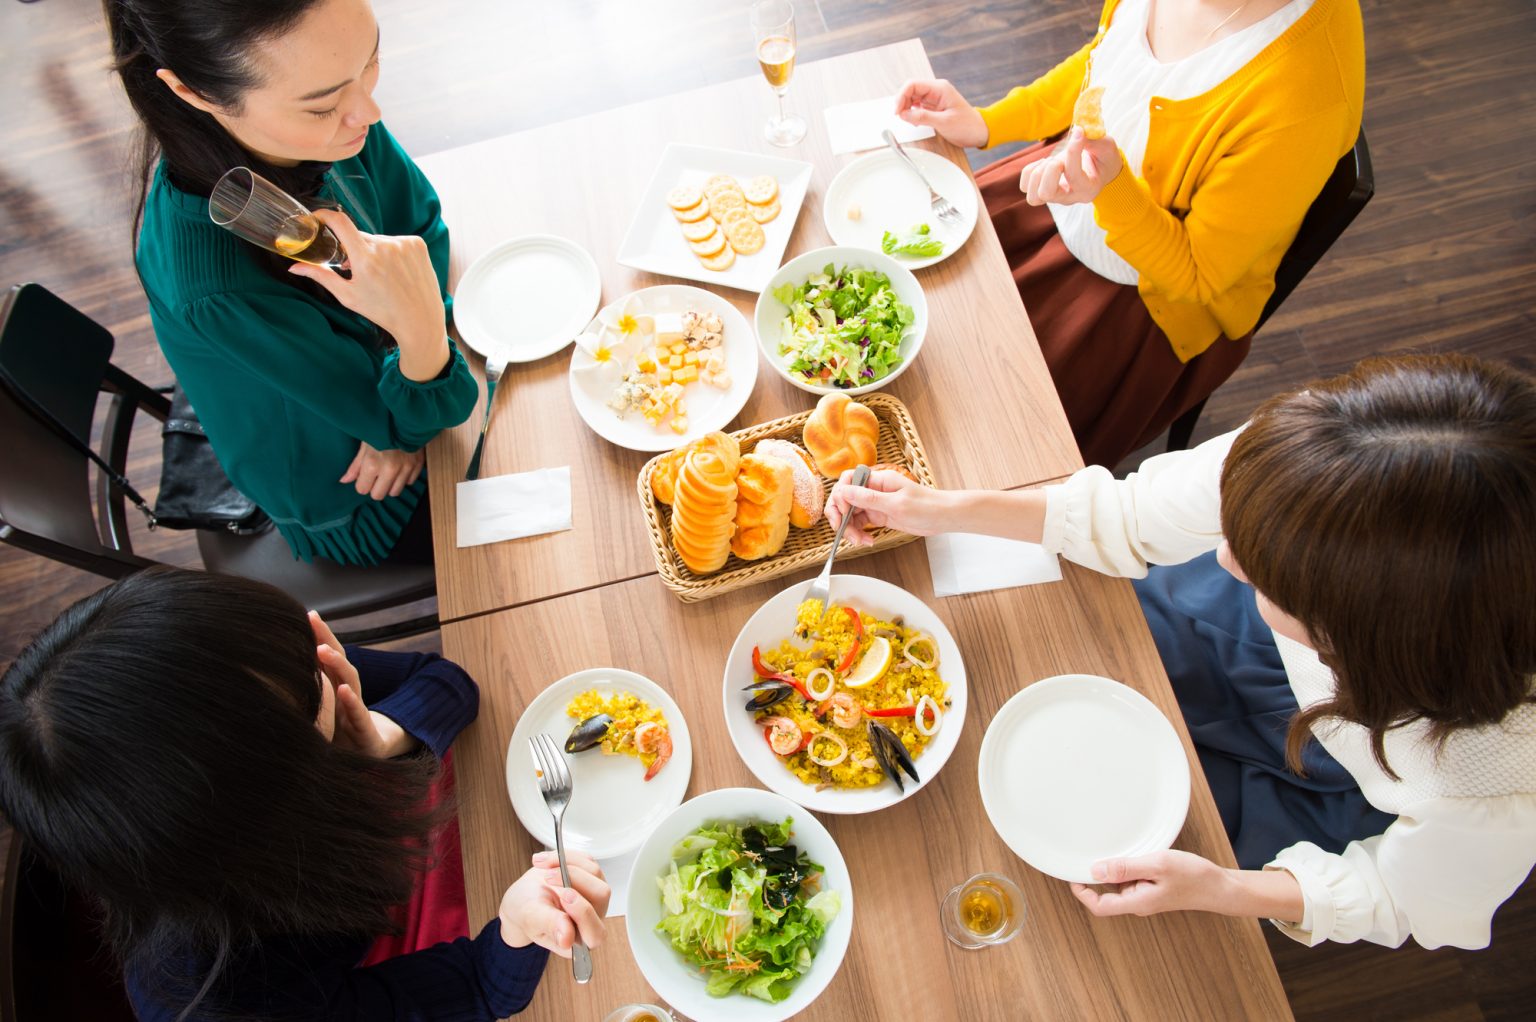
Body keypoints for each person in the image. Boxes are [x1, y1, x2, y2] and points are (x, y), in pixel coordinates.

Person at [826, 353, 1536, 949]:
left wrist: (1223, 889)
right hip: (1239, 630)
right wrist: (939, 509)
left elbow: (1398, 895)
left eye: (1262, 569)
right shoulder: (1322, 457)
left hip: (1319, 774)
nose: (1223, 555)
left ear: (1353, 638)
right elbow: (1132, 515)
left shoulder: (1497, 783)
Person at [0, 567, 608, 1020]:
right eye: (311, 690)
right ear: (282, 802)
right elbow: (478, 987)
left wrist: (383, 736)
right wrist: (518, 927)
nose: (324, 668)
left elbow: (445, 681)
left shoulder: (240, 669)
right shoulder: (245, 997)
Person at [894, 0, 1364, 466]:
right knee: (903, 301)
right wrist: (986, 122)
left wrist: (1111, 190)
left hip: (1141, 296)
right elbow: (1107, 63)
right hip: (1067, 190)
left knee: (975, 429)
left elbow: (1198, 274)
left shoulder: (1306, 93)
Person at [105, 0, 480, 565]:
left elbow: (420, 228)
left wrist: (413, 357)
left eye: (370, 61)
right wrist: (415, 352)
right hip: (363, 492)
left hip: (401, 402)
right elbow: (420, 414)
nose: (369, 111)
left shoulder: (329, 109)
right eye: (322, 106)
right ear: (194, 91)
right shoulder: (215, 287)